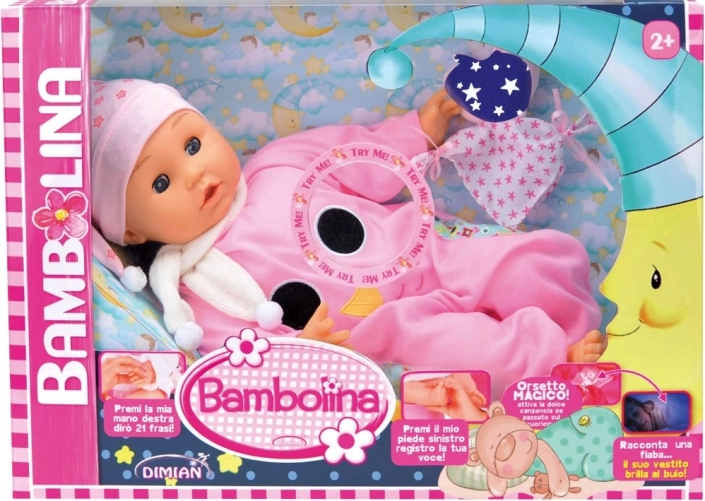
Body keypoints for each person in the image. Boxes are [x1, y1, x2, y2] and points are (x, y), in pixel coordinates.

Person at [90, 78, 604, 399]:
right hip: (383, 331)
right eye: (161, 183)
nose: (195, 174)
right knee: (471, 354)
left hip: (428, 249)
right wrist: (300, 352)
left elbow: (361, 158)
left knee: (526, 262)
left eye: (192, 144)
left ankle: (577, 322)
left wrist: (417, 131)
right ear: (131, 230)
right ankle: (556, 364)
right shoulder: (199, 294)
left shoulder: (275, 165)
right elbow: (240, 362)